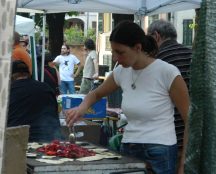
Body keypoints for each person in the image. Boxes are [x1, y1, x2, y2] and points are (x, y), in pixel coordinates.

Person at [65, 21, 190, 174]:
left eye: (121, 52)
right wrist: (81, 108)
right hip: (129, 146)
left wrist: (183, 163)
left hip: (160, 150)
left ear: (138, 48)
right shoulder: (121, 72)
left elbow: (189, 119)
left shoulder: (168, 72)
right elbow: (96, 93)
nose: (115, 58)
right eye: (113, 52)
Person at [147, 19, 192, 155]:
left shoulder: (157, 60)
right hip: (192, 134)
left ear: (156, 36)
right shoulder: (192, 55)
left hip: (166, 136)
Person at [7, 60, 62, 142]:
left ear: (10, 76)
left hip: (18, 140)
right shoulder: (46, 87)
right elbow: (55, 114)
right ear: (29, 74)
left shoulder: (7, 92)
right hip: (50, 139)